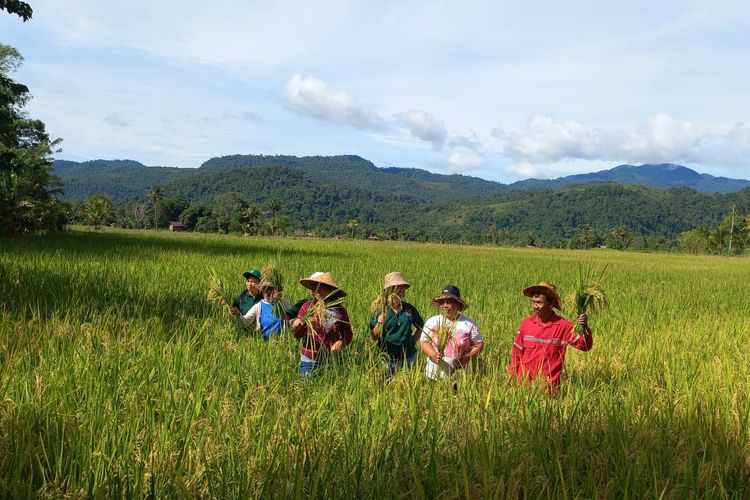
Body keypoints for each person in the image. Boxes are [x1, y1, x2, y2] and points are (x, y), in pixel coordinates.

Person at [508, 281, 593, 394]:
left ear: (550, 303)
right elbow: (517, 352)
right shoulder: (526, 323)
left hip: (549, 389)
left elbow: (584, 346)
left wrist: (584, 327)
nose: (535, 306)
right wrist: (512, 376)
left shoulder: (564, 326)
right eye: (533, 302)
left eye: (539, 302)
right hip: (524, 386)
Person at [292, 272, 353, 378]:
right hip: (309, 360)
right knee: (307, 390)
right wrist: (297, 326)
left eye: (322, 288)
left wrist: (341, 342)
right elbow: (297, 335)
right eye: (316, 287)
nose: (318, 291)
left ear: (330, 291)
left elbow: (348, 335)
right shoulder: (307, 307)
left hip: (330, 361)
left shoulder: (340, 311)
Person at [420, 285, 484, 381]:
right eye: (442, 302)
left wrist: (467, 357)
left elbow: (479, 344)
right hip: (433, 374)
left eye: (449, 302)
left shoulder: (468, 323)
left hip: (460, 375)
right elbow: (424, 342)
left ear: (458, 305)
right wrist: (433, 354)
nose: (445, 305)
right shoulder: (432, 321)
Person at [369, 272, 424, 375]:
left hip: (408, 355)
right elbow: (374, 337)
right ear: (391, 290)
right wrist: (379, 323)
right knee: (387, 383)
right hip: (387, 356)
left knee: (409, 384)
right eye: (399, 287)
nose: (403, 290)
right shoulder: (380, 310)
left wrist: (412, 341)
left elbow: (421, 327)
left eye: (403, 287)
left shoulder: (409, 309)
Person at [228, 268, 263, 340]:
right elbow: (232, 316)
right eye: (248, 281)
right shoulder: (240, 298)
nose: (249, 284)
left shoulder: (264, 298)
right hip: (243, 333)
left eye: (252, 281)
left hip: (259, 334)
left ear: (259, 283)